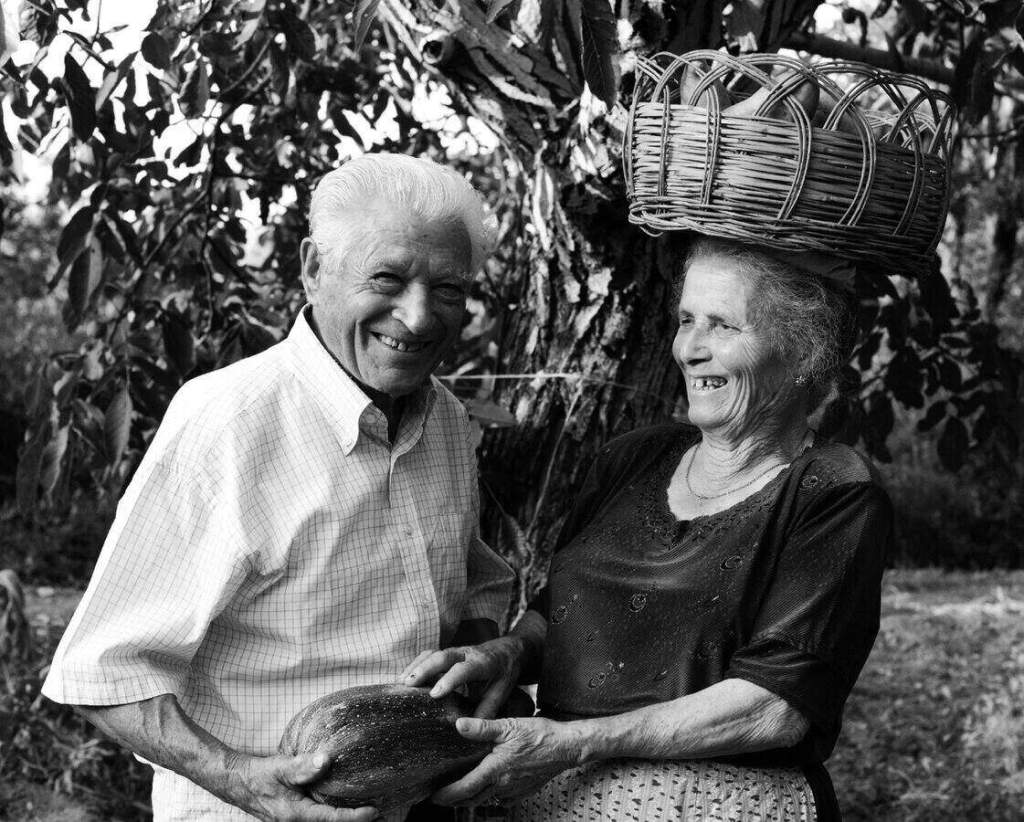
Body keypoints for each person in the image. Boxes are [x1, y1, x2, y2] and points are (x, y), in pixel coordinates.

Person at [42, 153, 514, 822]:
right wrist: (244, 782)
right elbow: (104, 670)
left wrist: (482, 649)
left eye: (447, 289)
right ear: (312, 267)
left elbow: (470, 587)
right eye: (387, 278)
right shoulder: (228, 422)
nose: (417, 318)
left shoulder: (445, 420)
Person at [404, 235, 891, 821]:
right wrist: (509, 653)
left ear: (803, 352)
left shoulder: (832, 490)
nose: (689, 349)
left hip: (712, 807)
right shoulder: (634, 458)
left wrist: (576, 743)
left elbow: (775, 707)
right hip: (552, 797)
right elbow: (561, 611)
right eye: (686, 321)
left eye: (722, 326)